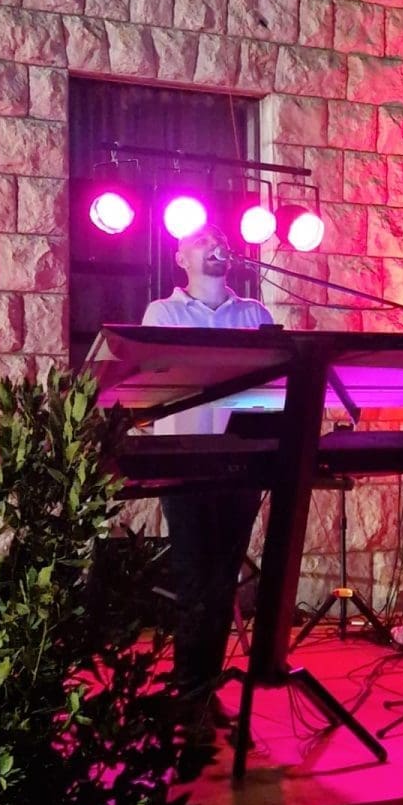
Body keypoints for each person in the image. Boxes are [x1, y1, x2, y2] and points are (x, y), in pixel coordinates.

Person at [142, 224, 272, 738]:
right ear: (181, 258)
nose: (214, 245)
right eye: (200, 240)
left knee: (222, 581)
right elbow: (159, 379)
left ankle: (203, 690)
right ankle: (188, 694)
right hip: (187, 463)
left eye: (218, 239)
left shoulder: (255, 314)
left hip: (241, 462)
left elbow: (275, 385)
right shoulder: (164, 313)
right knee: (195, 577)